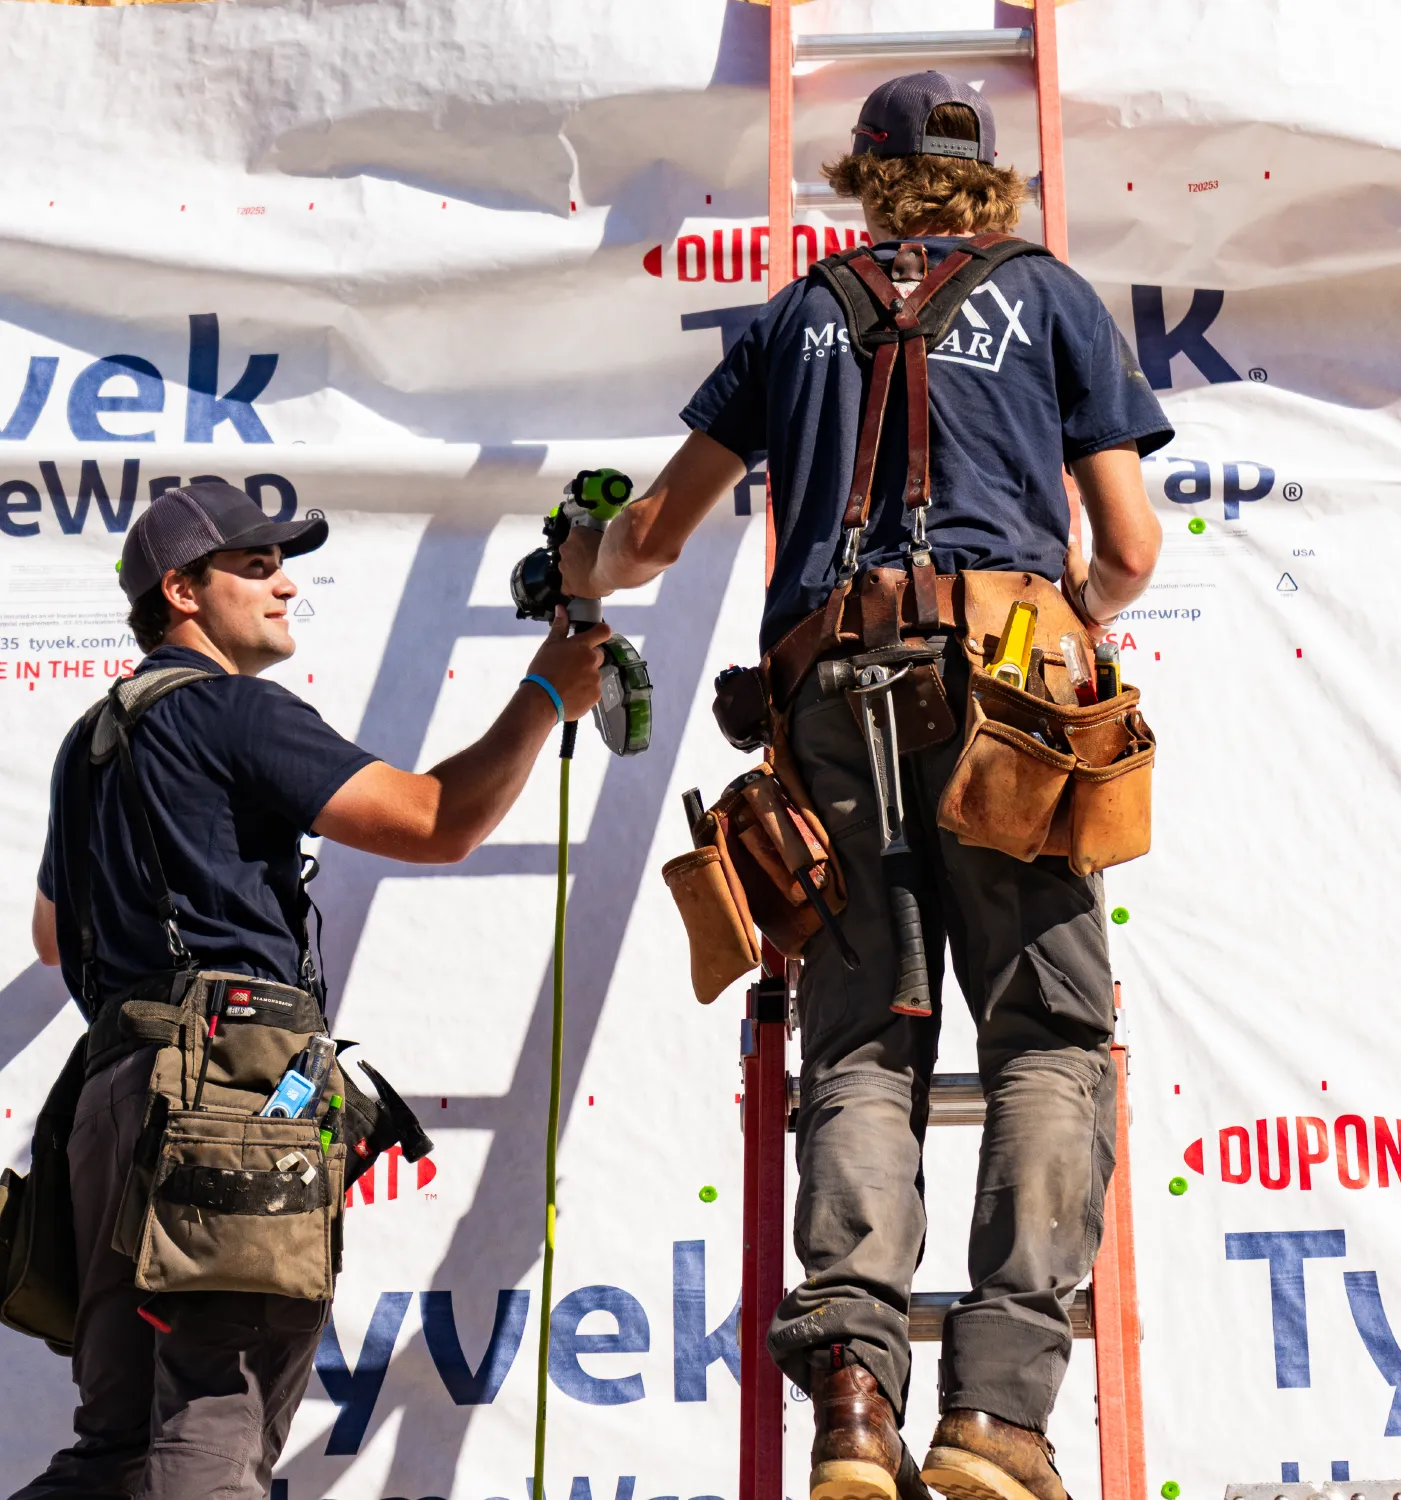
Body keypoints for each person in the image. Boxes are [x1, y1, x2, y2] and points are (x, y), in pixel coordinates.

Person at [560, 71, 1171, 1500]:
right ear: (986, 180)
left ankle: (852, 1405)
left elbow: (646, 533)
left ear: (869, 176)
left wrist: (576, 573)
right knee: (1043, 1036)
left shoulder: (794, 316)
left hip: (827, 697)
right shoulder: (1053, 296)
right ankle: (997, 1418)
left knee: (862, 1044)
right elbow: (1130, 548)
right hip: (1005, 685)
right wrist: (1052, 619)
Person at [20, 480, 608, 1500]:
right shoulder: (232, 711)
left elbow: (49, 935)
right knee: (216, 1429)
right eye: (256, 567)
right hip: (222, 1107)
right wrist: (549, 692)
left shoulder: (92, 742)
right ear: (182, 591)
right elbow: (438, 819)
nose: (285, 584)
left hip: (113, 1103)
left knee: (119, 1452)